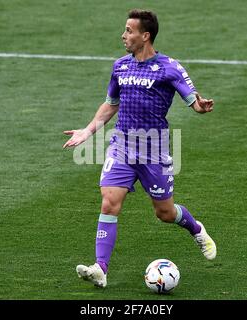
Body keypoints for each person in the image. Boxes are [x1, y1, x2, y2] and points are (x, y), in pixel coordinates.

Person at [63, 9, 216, 288]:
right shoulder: (120, 66)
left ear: (145, 36)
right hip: (121, 146)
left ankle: (196, 229)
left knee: (165, 213)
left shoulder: (169, 67)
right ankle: (101, 267)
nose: (124, 35)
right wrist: (87, 130)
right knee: (109, 201)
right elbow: (111, 104)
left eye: (129, 31)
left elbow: (192, 99)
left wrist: (200, 106)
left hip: (154, 151)